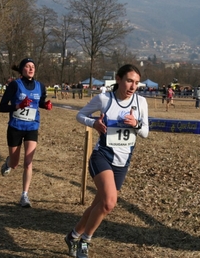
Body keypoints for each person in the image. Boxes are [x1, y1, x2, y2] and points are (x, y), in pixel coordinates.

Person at [64, 64, 149, 258]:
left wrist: (136, 124)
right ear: (118, 79)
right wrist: (93, 123)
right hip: (102, 156)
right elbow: (80, 115)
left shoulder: (141, 102)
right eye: (129, 81)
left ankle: (73, 235)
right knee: (109, 202)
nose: (133, 86)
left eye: (136, 82)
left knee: (99, 204)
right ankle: (85, 241)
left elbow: (145, 133)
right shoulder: (104, 99)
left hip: (122, 161)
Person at [0, 58, 52, 208]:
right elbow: (1, 107)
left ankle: (24, 195)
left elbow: (39, 102)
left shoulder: (40, 86)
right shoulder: (15, 85)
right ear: (22, 69)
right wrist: (18, 105)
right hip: (15, 127)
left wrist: (45, 104)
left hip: (32, 127)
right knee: (15, 164)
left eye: (33, 66)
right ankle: (9, 162)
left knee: (28, 162)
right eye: (27, 66)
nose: (30, 69)